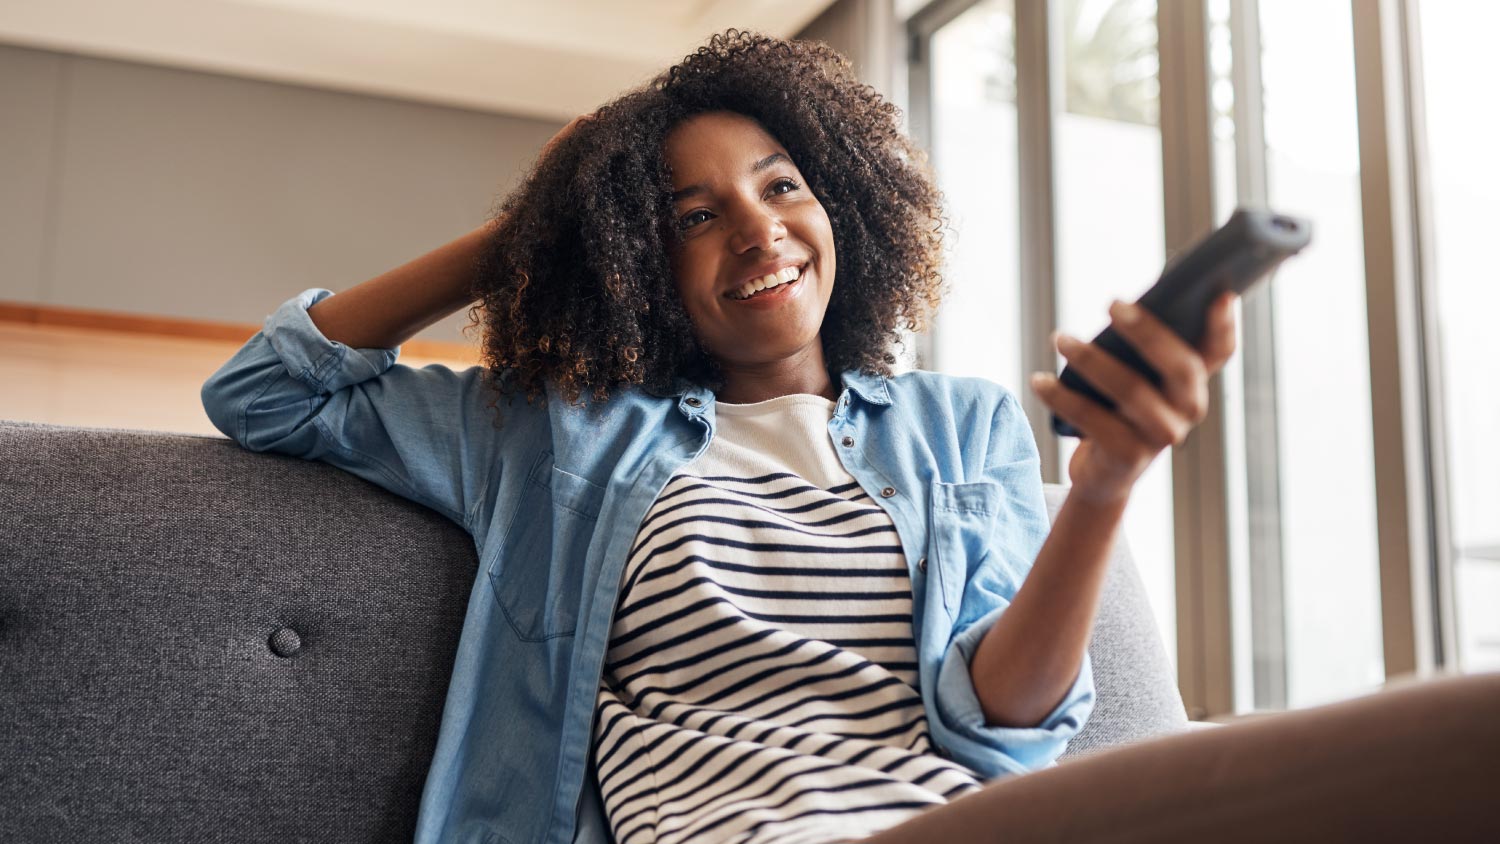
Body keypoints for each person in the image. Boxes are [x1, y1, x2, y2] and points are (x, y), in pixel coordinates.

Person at [201, 28, 1497, 844]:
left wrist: (1103, 487)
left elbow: (1002, 721)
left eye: (781, 187)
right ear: (638, 259)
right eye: (692, 213)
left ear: (844, 210)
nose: (758, 230)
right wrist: (536, 220)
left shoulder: (966, 425)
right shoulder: (554, 435)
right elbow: (271, 391)